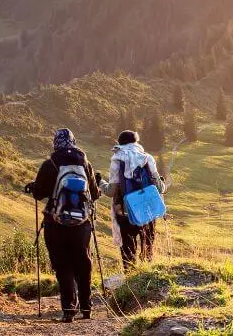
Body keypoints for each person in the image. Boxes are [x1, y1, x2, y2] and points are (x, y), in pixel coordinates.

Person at [26, 128, 100, 323]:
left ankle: (69, 310)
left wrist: (33, 187)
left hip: (55, 221)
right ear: (73, 142)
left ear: (55, 143)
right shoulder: (85, 163)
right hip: (82, 223)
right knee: (83, 262)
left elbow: (39, 193)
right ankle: (87, 308)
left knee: (62, 264)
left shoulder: (49, 163)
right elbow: (95, 192)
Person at [98, 130, 165, 271]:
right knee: (147, 246)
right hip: (147, 209)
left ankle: (129, 277)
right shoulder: (147, 158)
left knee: (128, 249)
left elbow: (111, 191)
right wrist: (162, 182)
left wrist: (100, 182)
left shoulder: (117, 159)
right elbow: (160, 188)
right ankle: (147, 277)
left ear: (120, 143)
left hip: (125, 211)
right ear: (136, 142)